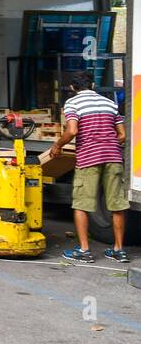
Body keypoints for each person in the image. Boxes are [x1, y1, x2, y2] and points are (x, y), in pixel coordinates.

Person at [48, 71, 130, 263]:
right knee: (116, 204)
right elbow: (122, 135)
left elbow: (72, 130)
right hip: (113, 157)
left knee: (81, 204)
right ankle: (118, 250)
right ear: (93, 85)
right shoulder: (110, 103)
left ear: (72, 88)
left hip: (89, 158)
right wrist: (106, 141)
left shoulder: (73, 103)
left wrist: (57, 146)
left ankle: (84, 250)